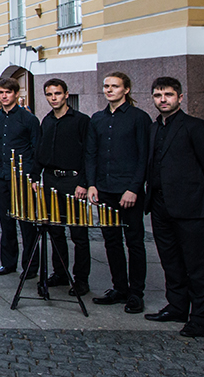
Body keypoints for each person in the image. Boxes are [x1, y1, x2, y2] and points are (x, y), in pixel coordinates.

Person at [144, 77, 204, 338]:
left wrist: (201, 197)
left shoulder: (195, 127)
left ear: (180, 97)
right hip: (159, 204)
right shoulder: (154, 128)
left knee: (196, 265)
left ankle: (201, 317)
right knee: (170, 261)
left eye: (168, 94)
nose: (163, 99)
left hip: (190, 206)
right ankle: (177, 307)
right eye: (158, 95)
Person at [86, 71, 151, 313]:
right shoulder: (97, 118)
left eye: (114, 86)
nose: (109, 90)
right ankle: (119, 288)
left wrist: (134, 188)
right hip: (104, 189)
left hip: (128, 191)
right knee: (111, 241)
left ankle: (136, 293)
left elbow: (144, 157)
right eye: (106, 86)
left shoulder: (139, 118)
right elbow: (91, 154)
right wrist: (92, 184)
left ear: (126, 89)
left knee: (134, 242)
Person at [33, 78, 92, 296]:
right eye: (49, 94)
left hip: (73, 181)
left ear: (66, 94)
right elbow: (41, 152)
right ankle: (60, 272)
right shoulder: (47, 121)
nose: (53, 98)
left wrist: (84, 183)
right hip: (51, 180)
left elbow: (89, 154)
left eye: (57, 93)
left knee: (78, 233)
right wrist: (34, 176)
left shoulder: (81, 121)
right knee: (55, 230)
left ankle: (81, 279)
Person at [0, 78, 41, 279]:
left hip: (23, 176)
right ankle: (8, 263)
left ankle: (30, 266)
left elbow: (36, 148)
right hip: (2, 174)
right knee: (6, 220)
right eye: (1, 92)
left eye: (8, 92)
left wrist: (32, 175)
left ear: (16, 94)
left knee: (26, 222)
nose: (4, 96)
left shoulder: (28, 119)